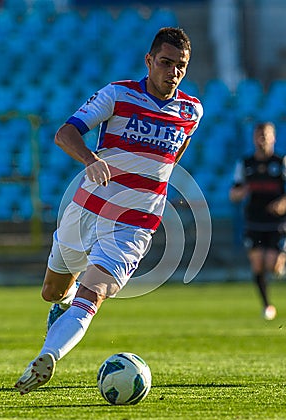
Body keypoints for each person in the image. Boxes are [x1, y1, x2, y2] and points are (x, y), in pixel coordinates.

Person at [14, 27, 203, 394]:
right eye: (165, 63)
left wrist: (155, 184)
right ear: (149, 61)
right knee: (52, 292)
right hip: (86, 209)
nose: (173, 72)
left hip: (133, 226)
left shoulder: (191, 110)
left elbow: (176, 153)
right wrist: (90, 159)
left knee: (93, 294)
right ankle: (61, 308)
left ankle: (48, 356)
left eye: (180, 66)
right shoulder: (117, 95)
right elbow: (65, 133)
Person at [229, 122, 286, 320]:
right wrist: (240, 193)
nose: (262, 139)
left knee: (272, 265)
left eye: (266, 135)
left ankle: (281, 260)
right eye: (259, 135)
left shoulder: (281, 162)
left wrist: (282, 203)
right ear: (254, 138)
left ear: (274, 137)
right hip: (253, 221)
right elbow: (233, 192)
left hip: (277, 223)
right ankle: (267, 306)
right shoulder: (245, 164)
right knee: (257, 264)